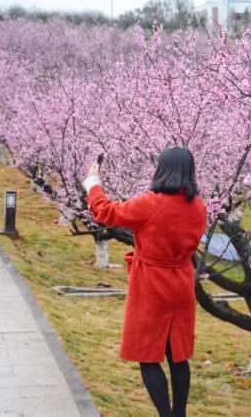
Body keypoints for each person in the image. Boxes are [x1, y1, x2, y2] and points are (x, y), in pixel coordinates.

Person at [83, 147, 207, 417]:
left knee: (148, 354)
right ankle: (180, 413)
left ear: (161, 168)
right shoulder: (198, 206)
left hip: (151, 284)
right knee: (178, 355)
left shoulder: (152, 203)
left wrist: (93, 184)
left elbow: (106, 212)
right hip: (182, 283)